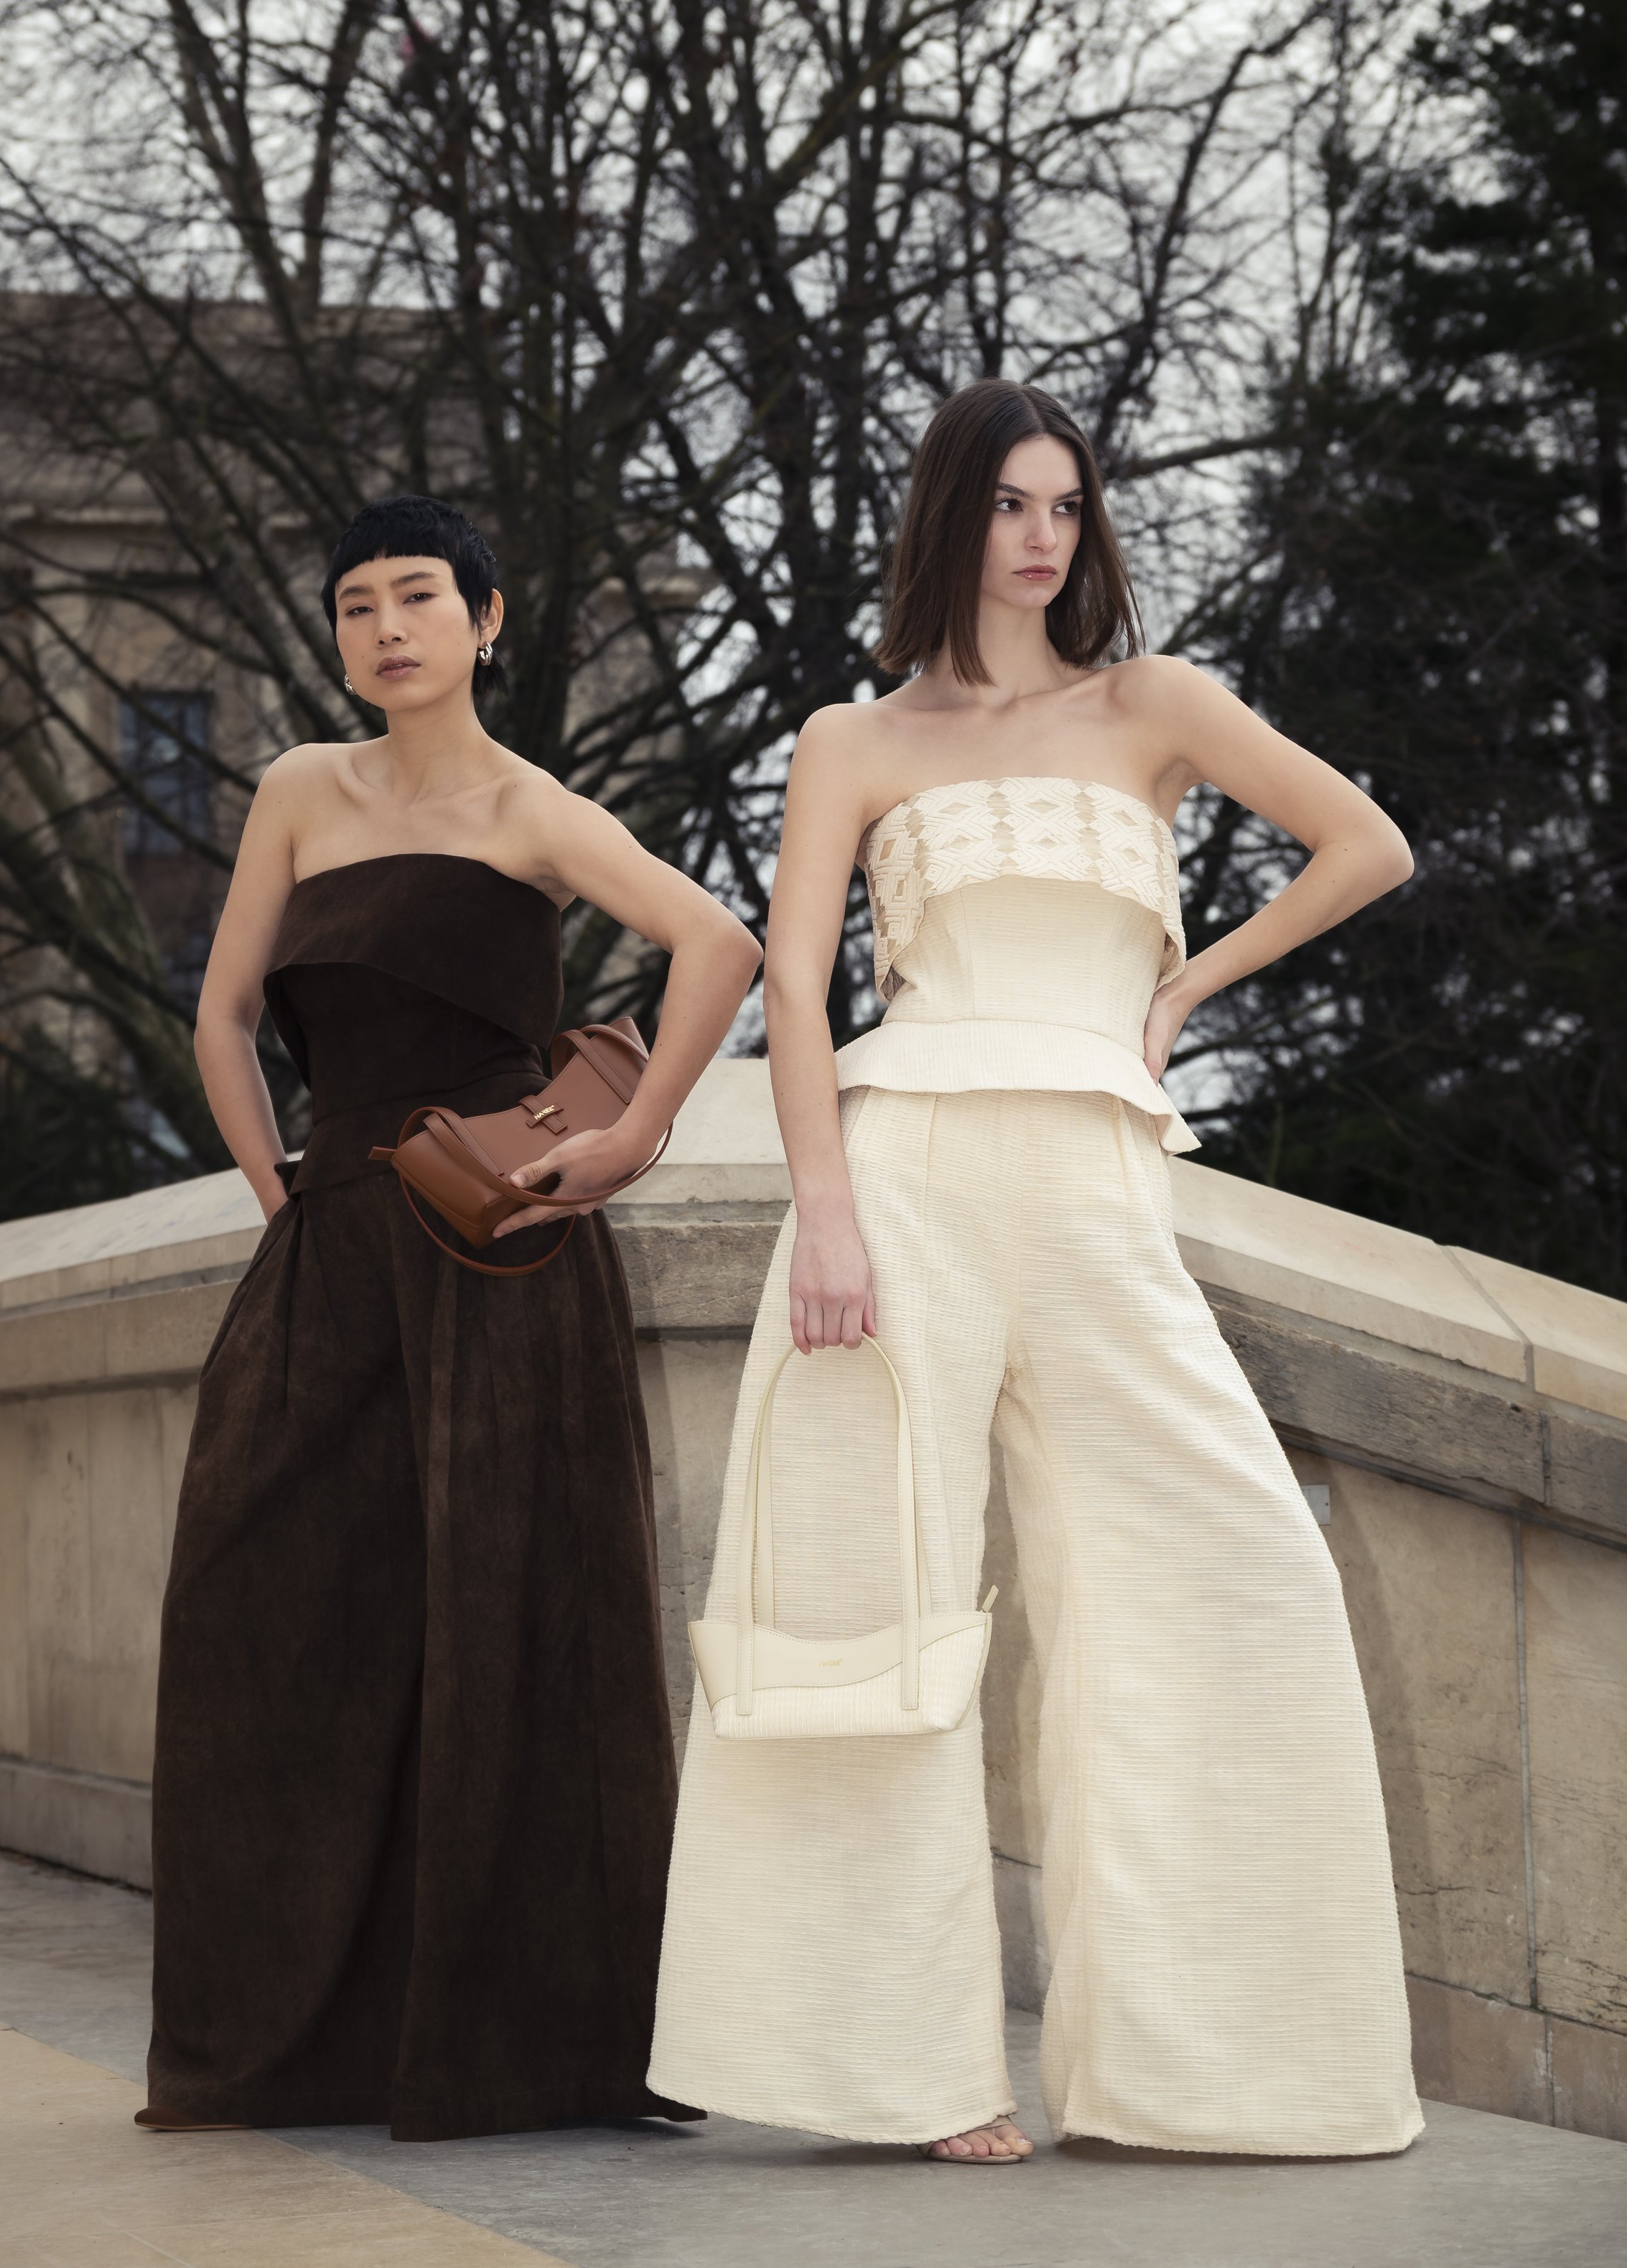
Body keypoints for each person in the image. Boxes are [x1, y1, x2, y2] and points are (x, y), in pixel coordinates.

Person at [648, 381, 1425, 2161]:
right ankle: (901, 2074)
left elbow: (1365, 844)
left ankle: (1202, 2065)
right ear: (950, 519)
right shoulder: (854, 736)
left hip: (1095, 1185)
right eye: (1007, 503)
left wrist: (1176, 988)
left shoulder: (1150, 704)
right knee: (870, 1607)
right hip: (902, 1173)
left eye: (1065, 504)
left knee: (1233, 1575)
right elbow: (789, 993)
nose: (1041, 535)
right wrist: (823, 1213)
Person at [141, 493, 760, 2141]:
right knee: (261, 1613)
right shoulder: (296, 789)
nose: (385, 625)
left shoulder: (532, 807)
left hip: (500, 1261)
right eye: (355, 605)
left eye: (418, 595)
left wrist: (629, 1138)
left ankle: (522, 2044)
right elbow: (219, 1012)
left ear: (488, 621)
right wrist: (278, 1187)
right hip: (331, 1240)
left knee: (508, 1628)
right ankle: (295, 2039)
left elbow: (720, 940)